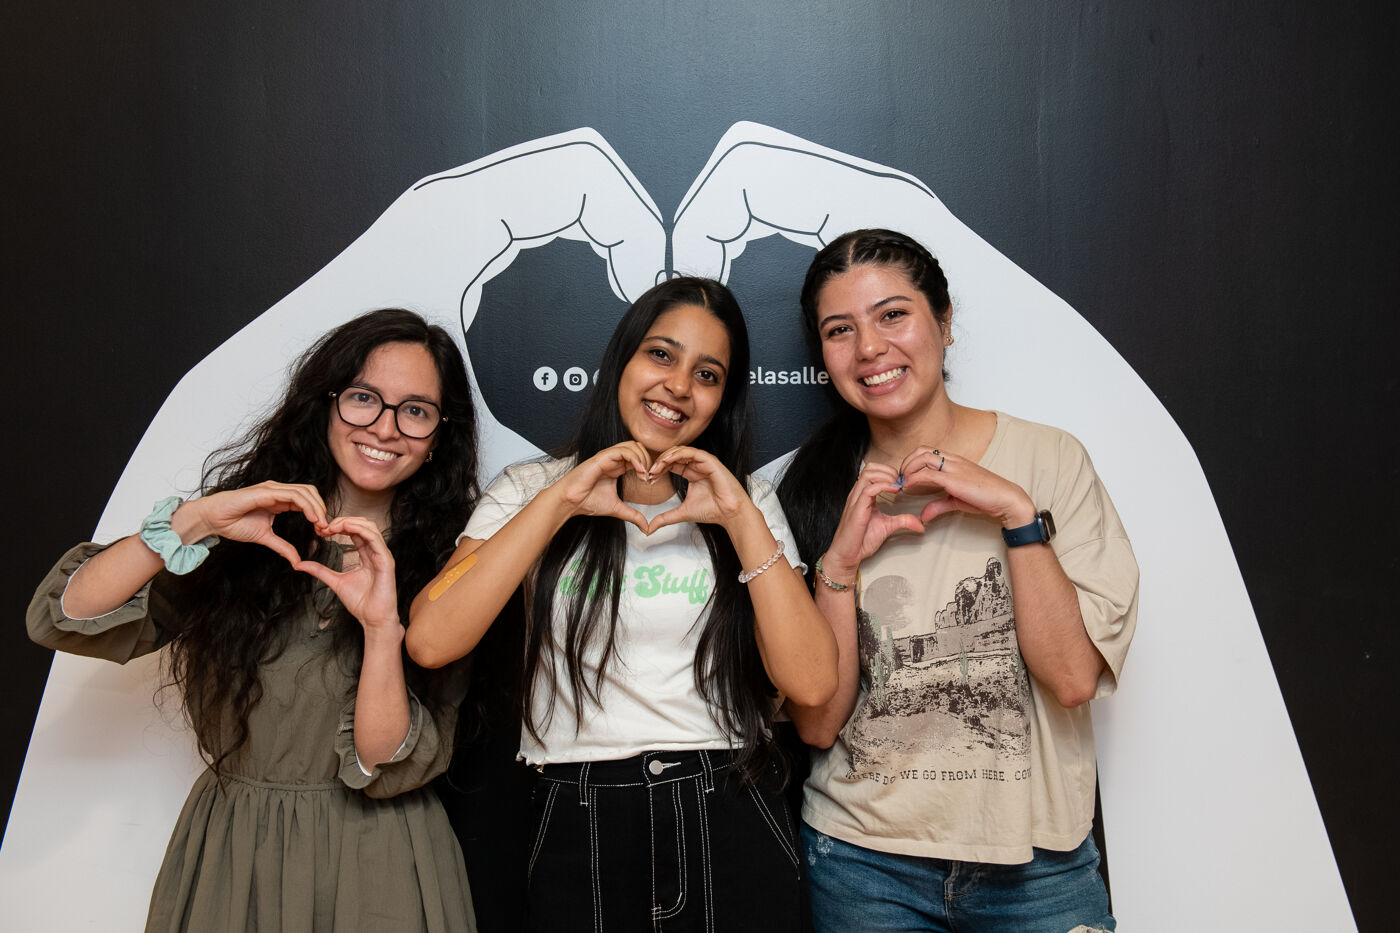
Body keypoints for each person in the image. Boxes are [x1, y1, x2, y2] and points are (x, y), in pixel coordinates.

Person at [407, 276, 838, 932]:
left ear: (722, 398)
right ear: (622, 361)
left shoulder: (746, 499)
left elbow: (811, 683)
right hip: (578, 810)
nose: (678, 385)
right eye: (660, 355)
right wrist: (562, 500)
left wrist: (741, 519)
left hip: (729, 801)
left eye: (707, 373)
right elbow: (432, 638)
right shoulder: (530, 487)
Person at [27, 309, 480, 932]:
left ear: (438, 439)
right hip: (235, 856)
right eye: (363, 398)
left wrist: (382, 629)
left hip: (380, 864)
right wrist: (194, 522)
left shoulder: (455, 566)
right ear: (325, 404)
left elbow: (385, 767)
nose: (384, 427)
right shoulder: (244, 534)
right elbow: (67, 616)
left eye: (416, 411)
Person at [778, 230, 1138, 933]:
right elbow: (818, 722)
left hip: (1041, 867)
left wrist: (1015, 513)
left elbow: (1072, 678)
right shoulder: (811, 491)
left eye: (892, 315)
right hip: (862, 863)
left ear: (943, 322)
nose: (870, 349)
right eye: (839, 330)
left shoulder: (1048, 458)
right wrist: (840, 567)